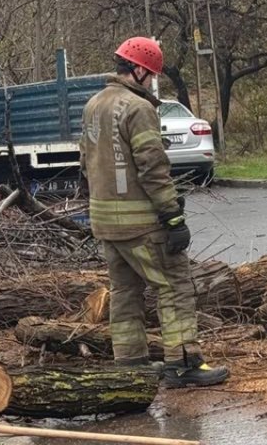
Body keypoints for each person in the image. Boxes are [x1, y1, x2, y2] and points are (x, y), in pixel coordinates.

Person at [79, 36, 229, 388]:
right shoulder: (137, 108)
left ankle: (130, 367)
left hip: (105, 223)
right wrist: (173, 217)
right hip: (142, 223)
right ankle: (183, 362)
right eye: (154, 75)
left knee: (125, 293)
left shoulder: (93, 105)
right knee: (174, 285)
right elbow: (152, 167)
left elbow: (84, 162)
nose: (154, 82)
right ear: (141, 70)